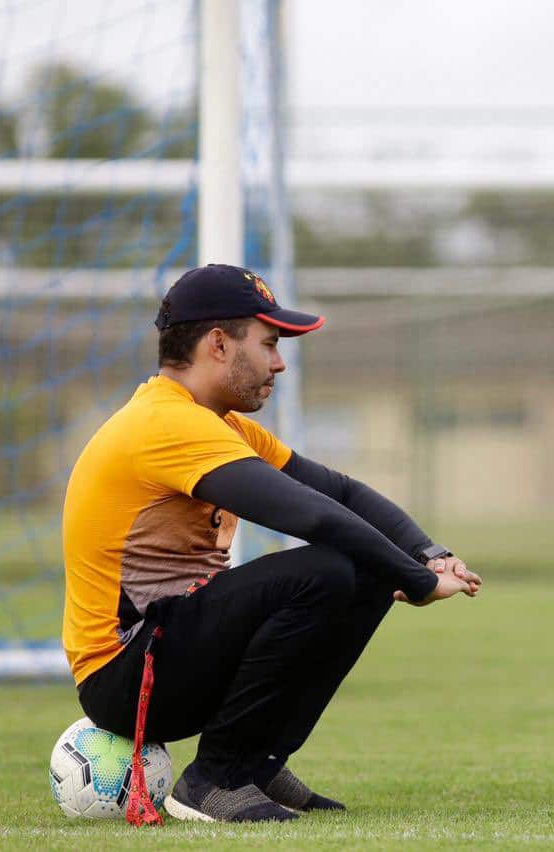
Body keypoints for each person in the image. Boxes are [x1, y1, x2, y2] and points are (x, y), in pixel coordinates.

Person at [61, 263, 481, 823]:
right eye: (269, 343)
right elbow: (315, 516)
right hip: (127, 675)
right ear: (217, 344)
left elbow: (342, 492)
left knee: (368, 567)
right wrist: (421, 581)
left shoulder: (221, 424)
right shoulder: (164, 424)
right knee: (329, 567)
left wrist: (425, 552)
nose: (279, 362)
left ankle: (255, 764)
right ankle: (215, 779)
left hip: (176, 654)